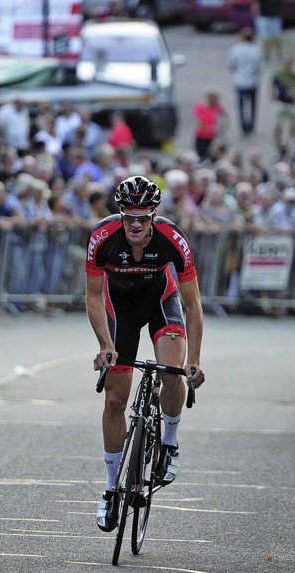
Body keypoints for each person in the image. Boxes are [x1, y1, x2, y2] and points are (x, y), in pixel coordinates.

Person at [86, 176, 206, 533]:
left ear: (154, 214)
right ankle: (110, 490)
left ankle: (168, 443)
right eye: (128, 216)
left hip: (161, 303)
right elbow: (93, 296)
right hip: (120, 310)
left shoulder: (173, 239)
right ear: (120, 213)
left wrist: (193, 360)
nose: (135, 224)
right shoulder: (102, 238)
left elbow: (193, 304)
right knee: (113, 401)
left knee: (172, 371)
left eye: (142, 216)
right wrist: (105, 344)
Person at [227, 27, 263, 136]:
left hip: (240, 81)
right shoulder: (256, 50)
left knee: (241, 105)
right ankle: (251, 125)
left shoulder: (235, 49)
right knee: (253, 105)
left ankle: (243, 126)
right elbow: (260, 67)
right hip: (253, 81)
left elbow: (231, 65)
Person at [271, 55, 295, 159]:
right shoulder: (279, 75)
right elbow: (273, 85)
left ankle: (291, 148)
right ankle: (277, 149)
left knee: (293, 126)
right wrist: (272, 96)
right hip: (281, 102)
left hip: (291, 103)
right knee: (277, 126)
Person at [193, 88, 228, 162]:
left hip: (211, 137)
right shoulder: (200, 107)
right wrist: (211, 128)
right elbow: (198, 124)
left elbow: (225, 115)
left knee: (213, 157)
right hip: (201, 137)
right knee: (202, 158)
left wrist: (223, 126)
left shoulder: (216, 107)